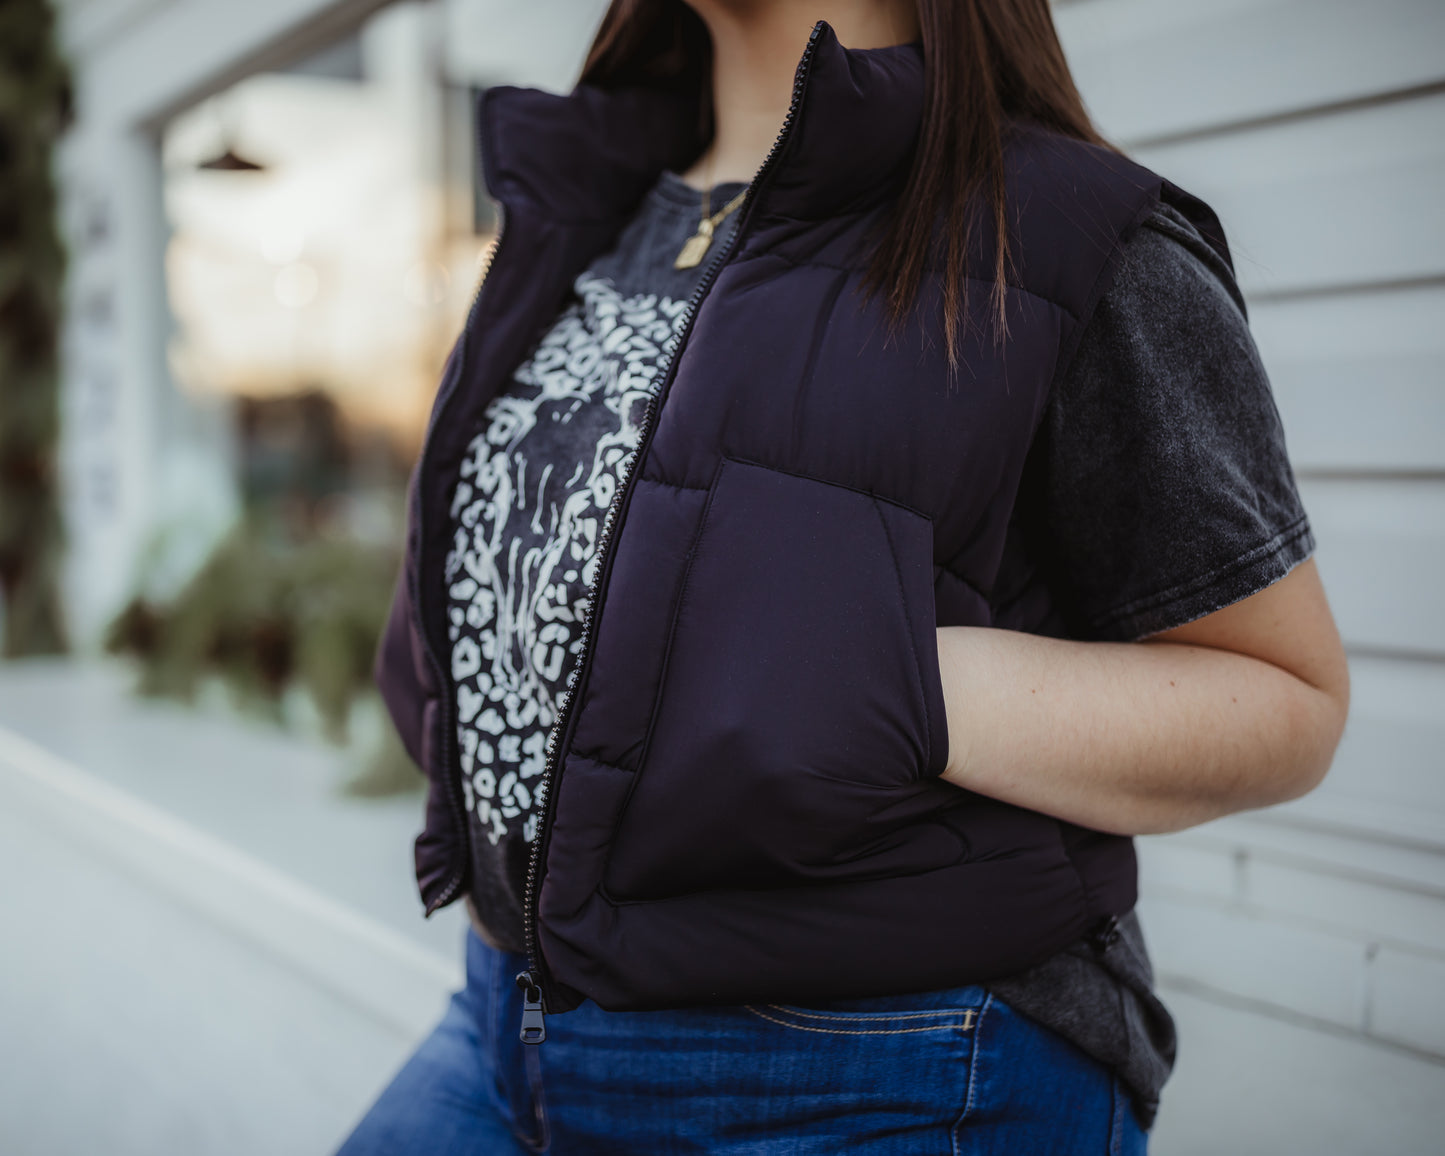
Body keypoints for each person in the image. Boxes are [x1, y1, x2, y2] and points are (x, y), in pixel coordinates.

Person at [342, 1, 1350, 1152]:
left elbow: (1285, 701)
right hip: (504, 1024)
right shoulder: (591, 198)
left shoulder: (1072, 238)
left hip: (880, 1068)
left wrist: (891, 685)